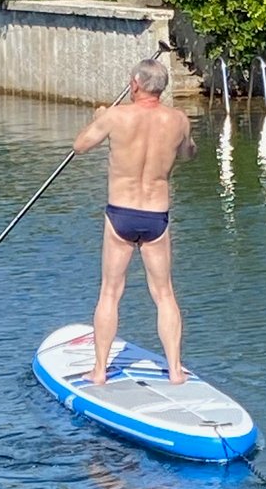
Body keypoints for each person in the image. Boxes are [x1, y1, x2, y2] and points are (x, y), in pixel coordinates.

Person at [71, 53, 196, 386]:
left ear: (136, 84)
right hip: (156, 217)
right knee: (164, 294)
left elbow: (79, 146)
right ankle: (175, 370)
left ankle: (99, 371)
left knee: (110, 292)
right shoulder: (179, 120)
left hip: (121, 215)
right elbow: (188, 154)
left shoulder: (116, 117)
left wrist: (99, 118)